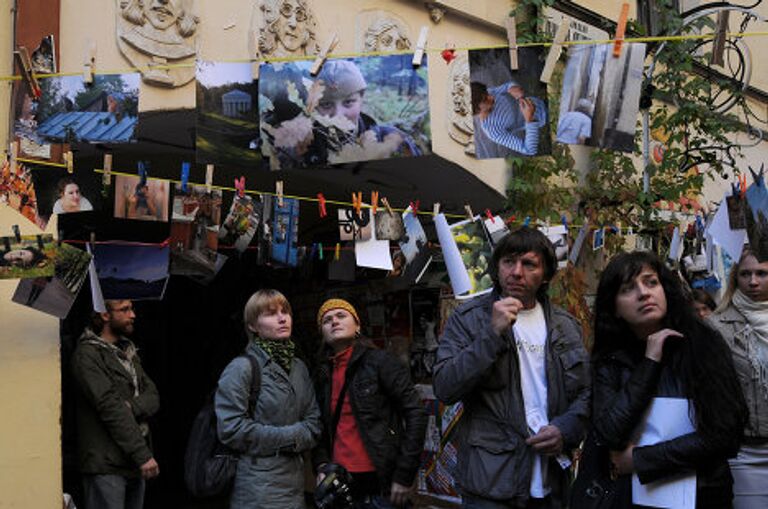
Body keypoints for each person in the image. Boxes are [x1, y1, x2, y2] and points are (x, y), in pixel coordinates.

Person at [434, 227, 590, 508]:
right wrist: (491, 335)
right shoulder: (468, 319)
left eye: (529, 264)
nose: (516, 272)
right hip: (492, 482)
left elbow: (586, 394)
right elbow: (445, 387)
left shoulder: (566, 327)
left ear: (544, 274)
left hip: (551, 481)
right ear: (497, 267)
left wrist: (566, 429)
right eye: (509, 262)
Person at [589, 251, 747, 508]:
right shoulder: (610, 359)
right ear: (614, 308)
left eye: (651, 282)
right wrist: (650, 362)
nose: (644, 293)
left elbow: (725, 435)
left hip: (703, 493)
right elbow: (609, 434)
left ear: (666, 290)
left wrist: (641, 460)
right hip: (633, 498)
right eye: (628, 289)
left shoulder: (704, 344)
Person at [313, 298, 427, 508]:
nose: (334, 322)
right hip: (340, 482)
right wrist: (321, 465)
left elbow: (416, 413)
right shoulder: (323, 373)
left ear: (357, 325)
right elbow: (318, 425)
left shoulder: (380, 362)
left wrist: (404, 474)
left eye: (341, 316)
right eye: (327, 320)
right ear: (322, 333)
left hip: (381, 482)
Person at [215, 289, 321, 508]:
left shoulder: (298, 367)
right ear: (253, 326)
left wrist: (301, 434)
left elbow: (314, 422)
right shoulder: (242, 368)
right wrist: (291, 436)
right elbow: (231, 428)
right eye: (271, 314)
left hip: (295, 484)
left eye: (285, 312)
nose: (282, 318)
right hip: (257, 486)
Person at [70, 300, 160, 509]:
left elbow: (153, 395)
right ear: (104, 315)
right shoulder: (87, 355)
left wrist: (131, 407)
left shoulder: (127, 353)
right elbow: (110, 407)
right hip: (106, 462)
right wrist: (142, 455)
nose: (133, 315)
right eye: (125, 310)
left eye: (132, 308)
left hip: (132, 462)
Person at [710, 249, 768, 509]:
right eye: (745, 274)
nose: (753, 281)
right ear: (735, 278)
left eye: (762, 273)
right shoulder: (718, 326)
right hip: (746, 450)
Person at [471, 80, 547, 156]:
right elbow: (529, 150)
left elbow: (507, 86)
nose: (491, 96)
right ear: (476, 111)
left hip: (540, 101)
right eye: (485, 100)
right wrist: (529, 119)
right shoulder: (492, 130)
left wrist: (512, 87)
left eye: (486, 93)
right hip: (543, 118)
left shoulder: (489, 92)